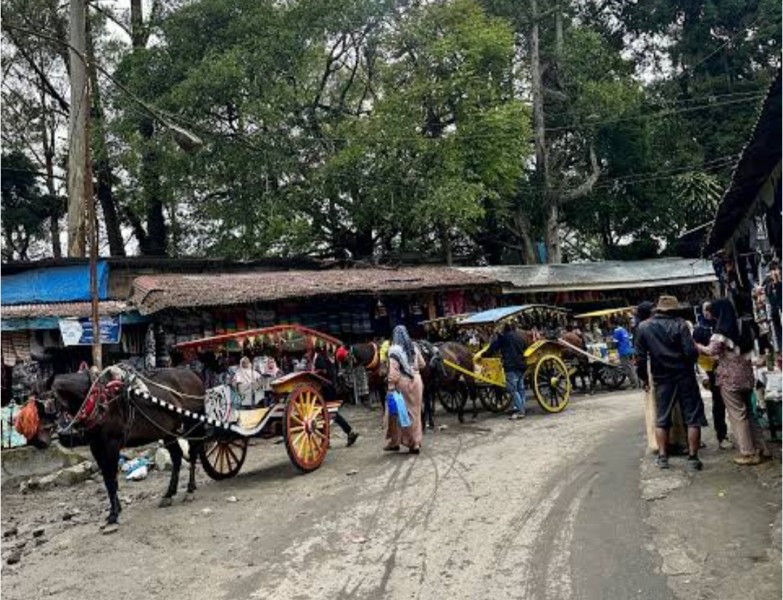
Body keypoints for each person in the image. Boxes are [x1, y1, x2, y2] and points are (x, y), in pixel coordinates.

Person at [694, 298, 769, 465]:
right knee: (750, 413)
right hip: (747, 376)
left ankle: (748, 453)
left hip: (730, 379)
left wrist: (696, 345)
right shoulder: (745, 327)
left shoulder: (721, 332)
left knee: (738, 415)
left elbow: (711, 352)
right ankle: (762, 448)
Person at [635, 295, 705, 471]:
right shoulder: (680, 324)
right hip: (684, 375)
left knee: (662, 418)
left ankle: (663, 458)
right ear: (674, 310)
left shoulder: (644, 327)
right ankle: (693, 458)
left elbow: (640, 358)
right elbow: (690, 352)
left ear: (658, 309)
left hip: (661, 377)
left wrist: (644, 379)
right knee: (692, 417)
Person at [693, 302, 730, 450]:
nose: (708, 312)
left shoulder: (725, 326)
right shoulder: (699, 330)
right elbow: (697, 354)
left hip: (729, 368)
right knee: (719, 403)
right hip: (711, 370)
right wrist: (704, 374)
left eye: (710, 309)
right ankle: (722, 435)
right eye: (705, 310)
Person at [384, 325, 425, 454]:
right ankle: (416, 443)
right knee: (415, 413)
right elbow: (422, 364)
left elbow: (393, 372)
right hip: (417, 382)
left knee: (394, 413)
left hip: (402, 383)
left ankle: (395, 442)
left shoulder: (394, 350)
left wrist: (390, 388)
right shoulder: (413, 347)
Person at [313, 348, 359, 447]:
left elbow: (323, 372)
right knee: (329, 414)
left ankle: (330, 438)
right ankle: (331, 438)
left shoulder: (321, 358)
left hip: (326, 389)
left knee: (328, 414)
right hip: (331, 388)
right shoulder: (331, 358)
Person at [487, 321, 528, 420]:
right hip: (521, 365)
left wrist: (484, 355)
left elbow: (493, 348)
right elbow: (525, 347)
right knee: (520, 388)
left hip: (510, 365)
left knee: (512, 389)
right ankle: (521, 407)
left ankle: (520, 411)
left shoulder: (503, 337)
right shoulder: (519, 337)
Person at [610, 316, 640, 389]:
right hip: (629, 350)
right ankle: (637, 383)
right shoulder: (624, 330)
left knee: (628, 368)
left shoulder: (616, 331)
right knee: (631, 367)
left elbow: (615, 344)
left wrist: (611, 346)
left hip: (623, 351)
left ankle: (634, 385)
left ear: (613, 324)